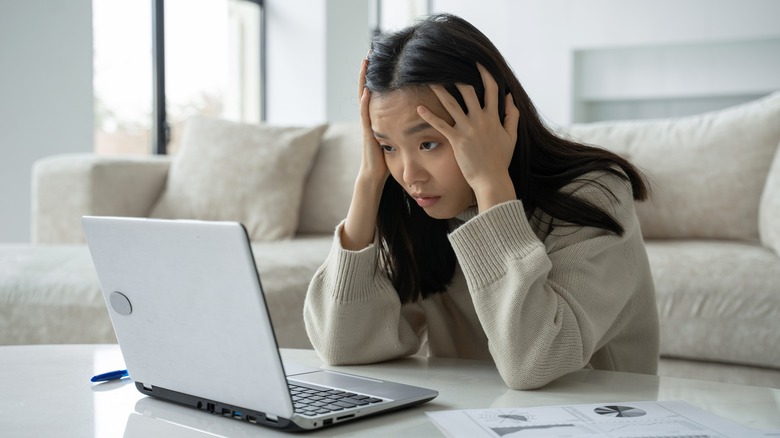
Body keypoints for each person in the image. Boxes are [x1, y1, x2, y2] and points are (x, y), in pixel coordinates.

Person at [303, 13, 659, 390]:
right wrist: (368, 181)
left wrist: (490, 183)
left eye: (428, 143)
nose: (410, 175)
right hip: (468, 418)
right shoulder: (423, 207)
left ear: (494, 120)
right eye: (388, 146)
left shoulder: (591, 193)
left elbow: (534, 363)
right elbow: (343, 347)